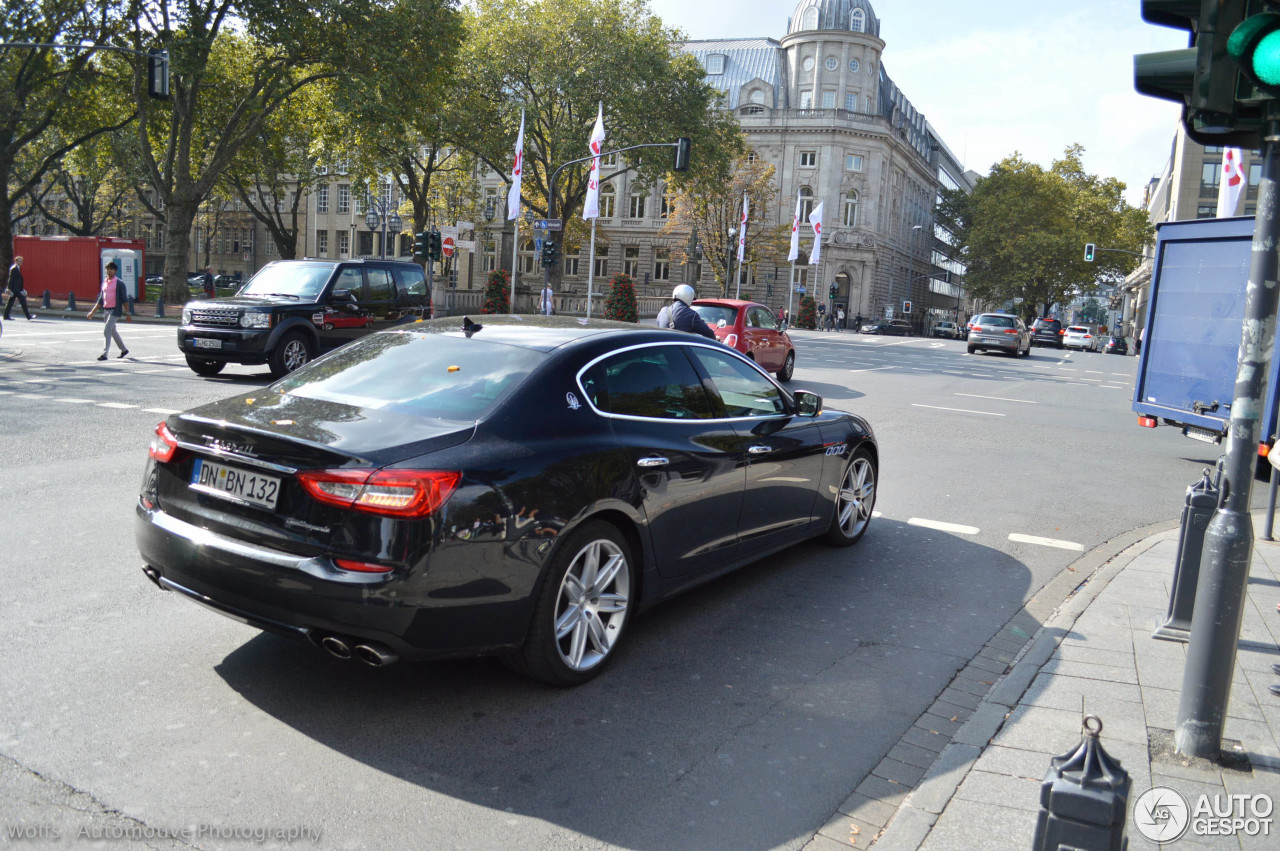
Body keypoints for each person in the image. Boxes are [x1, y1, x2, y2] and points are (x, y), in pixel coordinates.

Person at [87, 261, 129, 360]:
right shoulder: (104, 282)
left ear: (115, 271)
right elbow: (101, 299)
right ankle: (124, 349)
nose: (109, 271)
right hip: (106, 310)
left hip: (115, 311)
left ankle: (105, 354)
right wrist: (92, 312)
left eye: (111, 269)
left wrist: (128, 313)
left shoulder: (119, 283)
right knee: (112, 331)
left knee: (107, 330)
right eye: (107, 269)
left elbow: (124, 300)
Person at [4, 255, 32, 321]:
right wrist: (8, 288)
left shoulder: (17, 268)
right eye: (20, 261)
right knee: (23, 301)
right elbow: (11, 279)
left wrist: (22, 288)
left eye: (22, 261)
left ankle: (6, 315)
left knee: (10, 302)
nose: (21, 262)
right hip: (15, 289)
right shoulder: (14, 268)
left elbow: (18, 280)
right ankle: (28, 316)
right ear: (16, 261)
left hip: (17, 289)